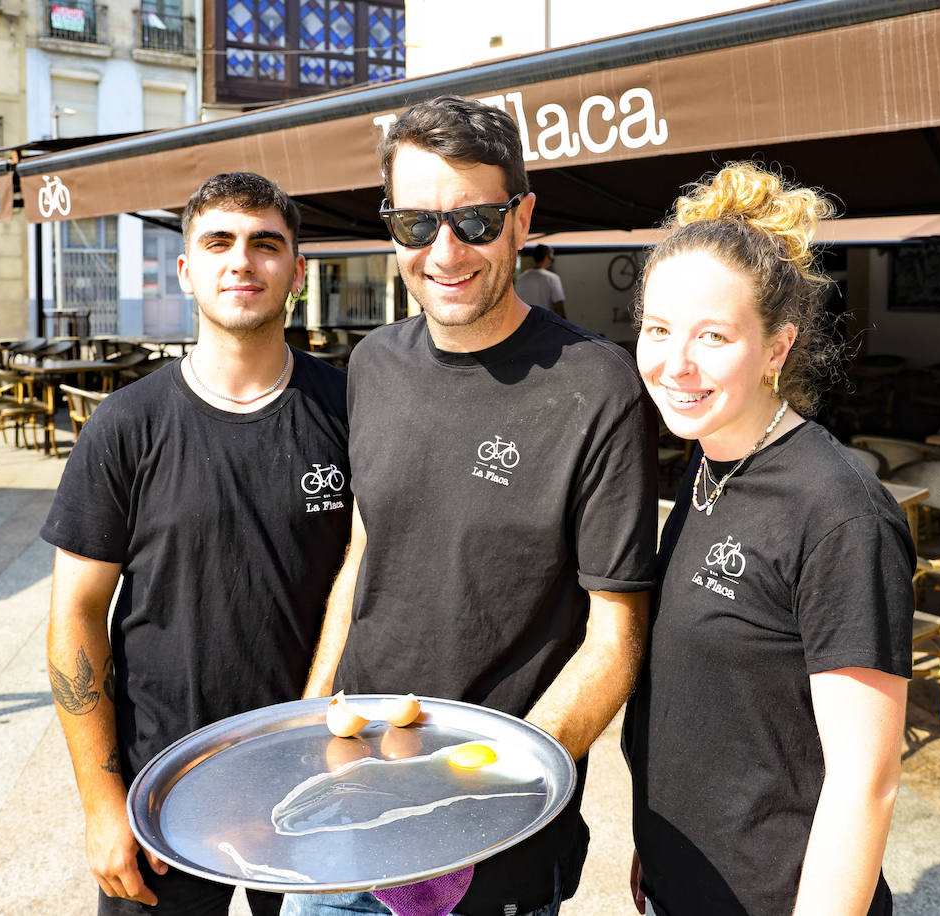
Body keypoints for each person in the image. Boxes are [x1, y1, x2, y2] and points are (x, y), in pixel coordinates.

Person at [285, 96, 657, 916]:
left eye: (477, 220)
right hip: (346, 812)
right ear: (391, 230)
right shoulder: (373, 364)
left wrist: (493, 780)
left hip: (496, 836)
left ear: (522, 218)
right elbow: (363, 557)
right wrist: (312, 724)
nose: (445, 250)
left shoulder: (598, 388)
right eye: (417, 224)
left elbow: (615, 638)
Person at [43, 171, 352, 916]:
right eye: (218, 242)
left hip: (319, 785)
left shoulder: (351, 410)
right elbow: (76, 614)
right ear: (186, 271)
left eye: (265, 244)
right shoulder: (126, 425)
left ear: (297, 271)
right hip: (165, 790)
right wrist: (101, 801)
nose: (241, 261)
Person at [623, 162, 914, 916]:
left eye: (713, 336)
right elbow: (713, 708)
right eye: (658, 330)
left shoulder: (840, 513)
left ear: (777, 349)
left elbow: (867, 783)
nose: (674, 363)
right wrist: (656, 850)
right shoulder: (707, 460)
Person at [515, 243, 566, 317]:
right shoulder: (552, 278)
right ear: (546, 257)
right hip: (544, 324)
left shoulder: (521, 278)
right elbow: (559, 307)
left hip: (524, 323)